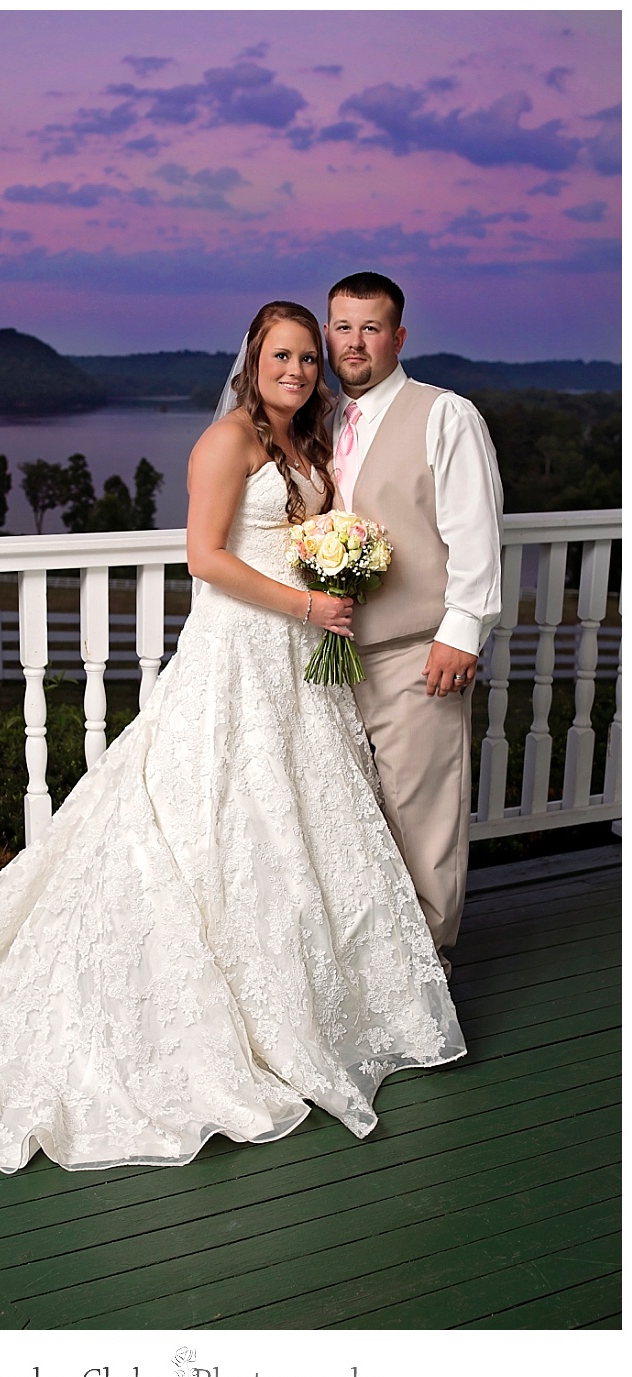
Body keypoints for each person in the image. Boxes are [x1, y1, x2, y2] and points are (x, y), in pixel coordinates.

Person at [0, 301, 465, 1175]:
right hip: (240, 650)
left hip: (299, 661)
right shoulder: (225, 442)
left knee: (298, 819)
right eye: (281, 355)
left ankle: (319, 1002)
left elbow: (301, 537)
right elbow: (205, 557)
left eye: (306, 359)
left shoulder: (307, 443)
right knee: (210, 809)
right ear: (253, 360)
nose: (296, 370)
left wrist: (335, 575)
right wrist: (308, 600)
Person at [324, 272, 503, 976]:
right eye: (342, 326)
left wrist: (461, 630)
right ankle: (370, 970)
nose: (355, 342)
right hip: (335, 657)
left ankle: (428, 977)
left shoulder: (444, 415)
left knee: (421, 814)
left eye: (371, 328)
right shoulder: (326, 421)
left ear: (398, 337)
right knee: (353, 818)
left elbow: (476, 531)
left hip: (416, 650)